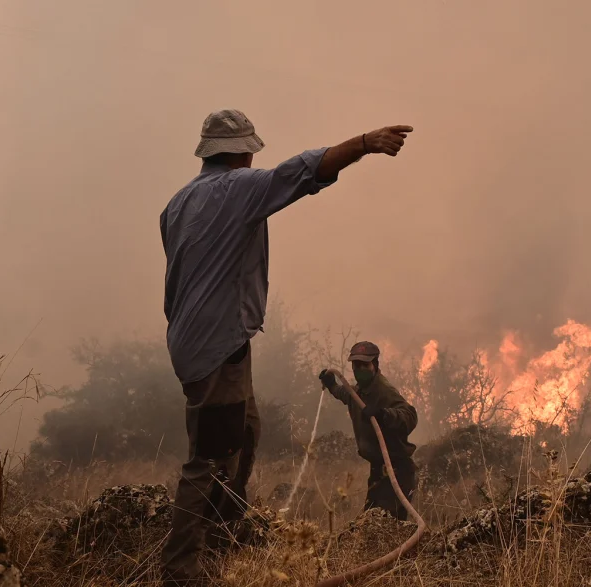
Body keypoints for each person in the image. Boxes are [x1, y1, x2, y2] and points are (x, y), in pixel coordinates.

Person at [159, 109, 413, 585]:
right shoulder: (238, 188)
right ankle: (182, 568)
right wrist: (364, 142)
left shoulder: (177, 203)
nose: (255, 154)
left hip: (199, 342)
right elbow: (301, 170)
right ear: (240, 151)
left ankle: (225, 531)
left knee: (247, 431)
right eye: (251, 148)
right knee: (212, 455)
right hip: (217, 345)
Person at [319, 341, 419, 521]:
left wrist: (383, 414)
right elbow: (345, 394)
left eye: (365, 365)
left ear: (375, 365)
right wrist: (332, 386)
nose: (360, 369)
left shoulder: (384, 390)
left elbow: (410, 416)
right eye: (356, 365)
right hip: (378, 471)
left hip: (397, 471)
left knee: (387, 527)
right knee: (369, 524)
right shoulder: (359, 390)